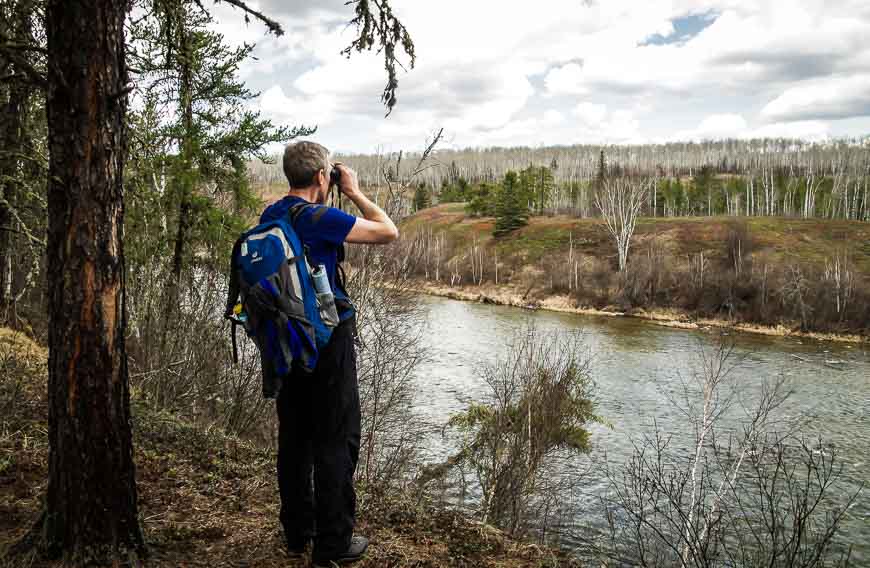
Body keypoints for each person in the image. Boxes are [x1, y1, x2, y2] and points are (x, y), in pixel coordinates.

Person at [259, 141, 398, 566]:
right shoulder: (320, 216)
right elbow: (388, 230)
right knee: (336, 438)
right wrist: (353, 191)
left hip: (284, 340)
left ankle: (297, 533)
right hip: (326, 339)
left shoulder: (272, 215)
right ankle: (333, 543)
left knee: (295, 437)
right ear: (322, 177)